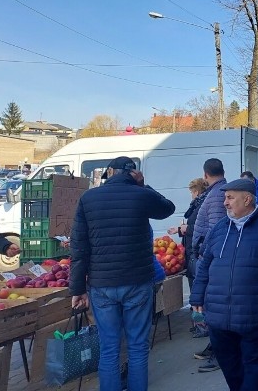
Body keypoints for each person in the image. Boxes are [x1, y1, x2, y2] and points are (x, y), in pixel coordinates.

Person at [69, 156, 175, 391]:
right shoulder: (142, 195)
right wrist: (144, 185)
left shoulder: (88, 198)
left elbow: (79, 247)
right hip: (137, 282)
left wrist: (77, 289)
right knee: (137, 347)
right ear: (134, 175)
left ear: (109, 172)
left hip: (102, 284)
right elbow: (168, 208)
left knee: (109, 348)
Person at [190, 179, 258, 391]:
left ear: (247, 199)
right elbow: (204, 265)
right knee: (230, 365)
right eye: (225, 197)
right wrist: (197, 296)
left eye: (230, 197)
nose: (225, 202)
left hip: (256, 315)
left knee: (255, 367)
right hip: (219, 316)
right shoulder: (219, 229)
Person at [191, 158, 228, 372]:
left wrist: (206, 255)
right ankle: (215, 346)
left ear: (206, 175)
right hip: (209, 259)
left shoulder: (216, 195)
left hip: (212, 261)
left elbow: (216, 231)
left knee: (214, 309)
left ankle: (219, 352)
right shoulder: (219, 192)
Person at [168, 177, 209, 291]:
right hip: (193, 248)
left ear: (196, 191)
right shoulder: (199, 204)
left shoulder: (201, 206)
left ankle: (197, 307)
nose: (191, 195)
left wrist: (184, 228)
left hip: (195, 249)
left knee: (196, 281)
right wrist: (180, 229)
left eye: (191, 192)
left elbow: (200, 228)